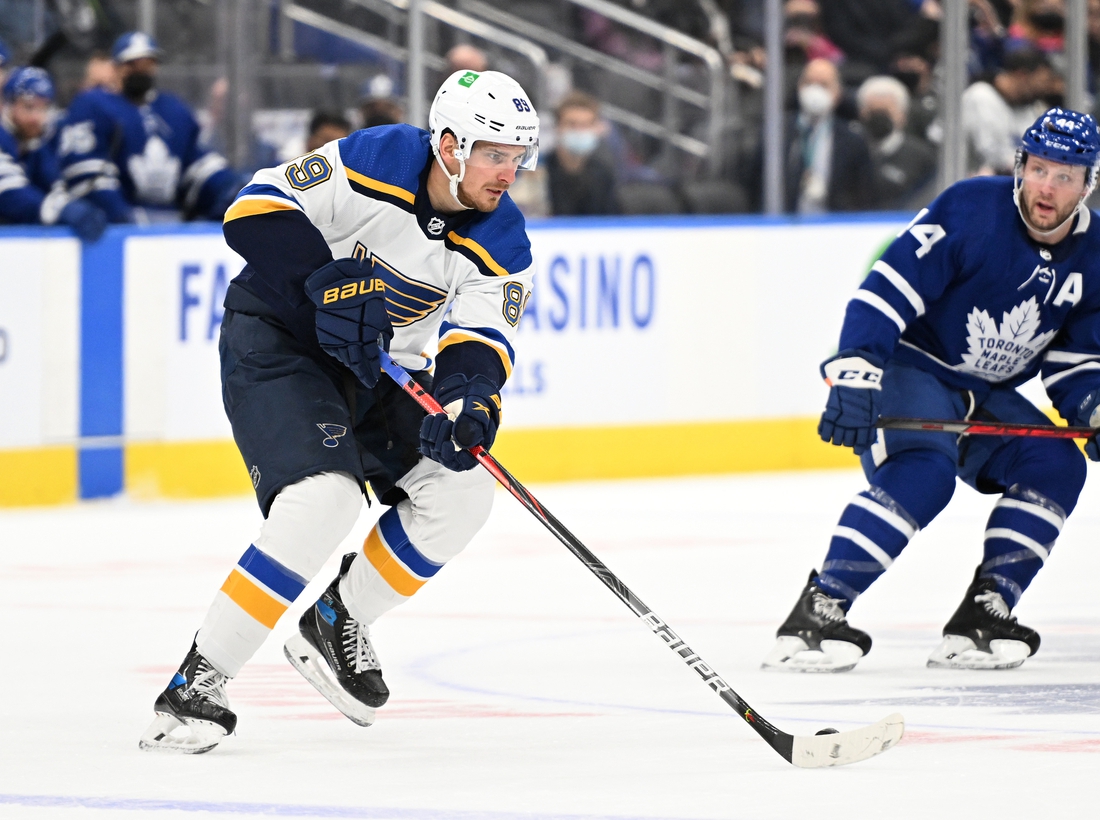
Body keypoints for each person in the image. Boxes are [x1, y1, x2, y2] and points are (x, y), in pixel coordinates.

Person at [139, 69, 539, 753]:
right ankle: (198, 682)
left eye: (518, 157)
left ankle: (338, 617)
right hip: (281, 342)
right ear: (449, 145)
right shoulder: (377, 158)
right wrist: (323, 284)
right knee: (324, 502)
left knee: (465, 490)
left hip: (380, 370)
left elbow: (479, 344)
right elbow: (255, 208)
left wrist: (467, 405)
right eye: (494, 154)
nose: (509, 173)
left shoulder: (503, 242)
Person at [762, 108, 1100, 674]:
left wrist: (1092, 405)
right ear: (1020, 166)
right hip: (911, 368)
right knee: (925, 472)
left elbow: (1076, 358)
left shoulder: (1095, 254)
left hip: (984, 391)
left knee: (1057, 465)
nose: (1048, 187)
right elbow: (886, 289)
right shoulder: (970, 207)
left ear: (1087, 185)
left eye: (1066, 176)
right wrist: (856, 370)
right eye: (1040, 169)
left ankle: (984, 613)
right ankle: (818, 611)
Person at [54, 31, 241, 223]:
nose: (141, 70)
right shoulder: (93, 105)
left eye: (147, 63)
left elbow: (196, 163)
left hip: (173, 221)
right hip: (114, 229)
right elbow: (86, 174)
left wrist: (228, 185)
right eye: (132, 64)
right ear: (116, 67)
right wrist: (120, 214)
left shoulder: (173, 109)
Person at [0, 66, 106, 240]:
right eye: (28, 107)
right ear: (8, 105)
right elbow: (10, 192)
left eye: (43, 109)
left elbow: (54, 187)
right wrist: (59, 209)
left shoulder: (38, 148)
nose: (36, 118)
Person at [784, 58, 875, 213]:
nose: (814, 91)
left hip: (833, 227)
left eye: (823, 85)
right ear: (799, 87)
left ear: (837, 93)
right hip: (782, 225)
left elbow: (863, 195)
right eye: (808, 83)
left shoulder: (853, 140)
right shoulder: (777, 132)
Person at [856, 75, 937, 210]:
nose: (879, 118)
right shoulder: (850, 151)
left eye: (886, 112)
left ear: (902, 115)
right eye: (873, 111)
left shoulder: (922, 157)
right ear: (861, 113)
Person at [541, 91, 619, 216]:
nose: (579, 131)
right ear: (557, 127)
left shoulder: (603, 173)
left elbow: (611, 221)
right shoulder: (540, 170)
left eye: (585, 125)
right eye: (572, 124)